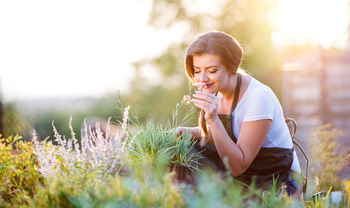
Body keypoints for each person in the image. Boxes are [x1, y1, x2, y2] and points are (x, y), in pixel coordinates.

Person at [176, 31, 304, 198]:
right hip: (248, 172)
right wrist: (180, 132)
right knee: (181, 151)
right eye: (197, 70)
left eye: (212, 70)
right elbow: (224, 135)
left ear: (232, 67)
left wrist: (213, 118)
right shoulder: (219, 90)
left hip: (277, 182)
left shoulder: (258, 98)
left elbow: (238, 166)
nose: (202, 78)